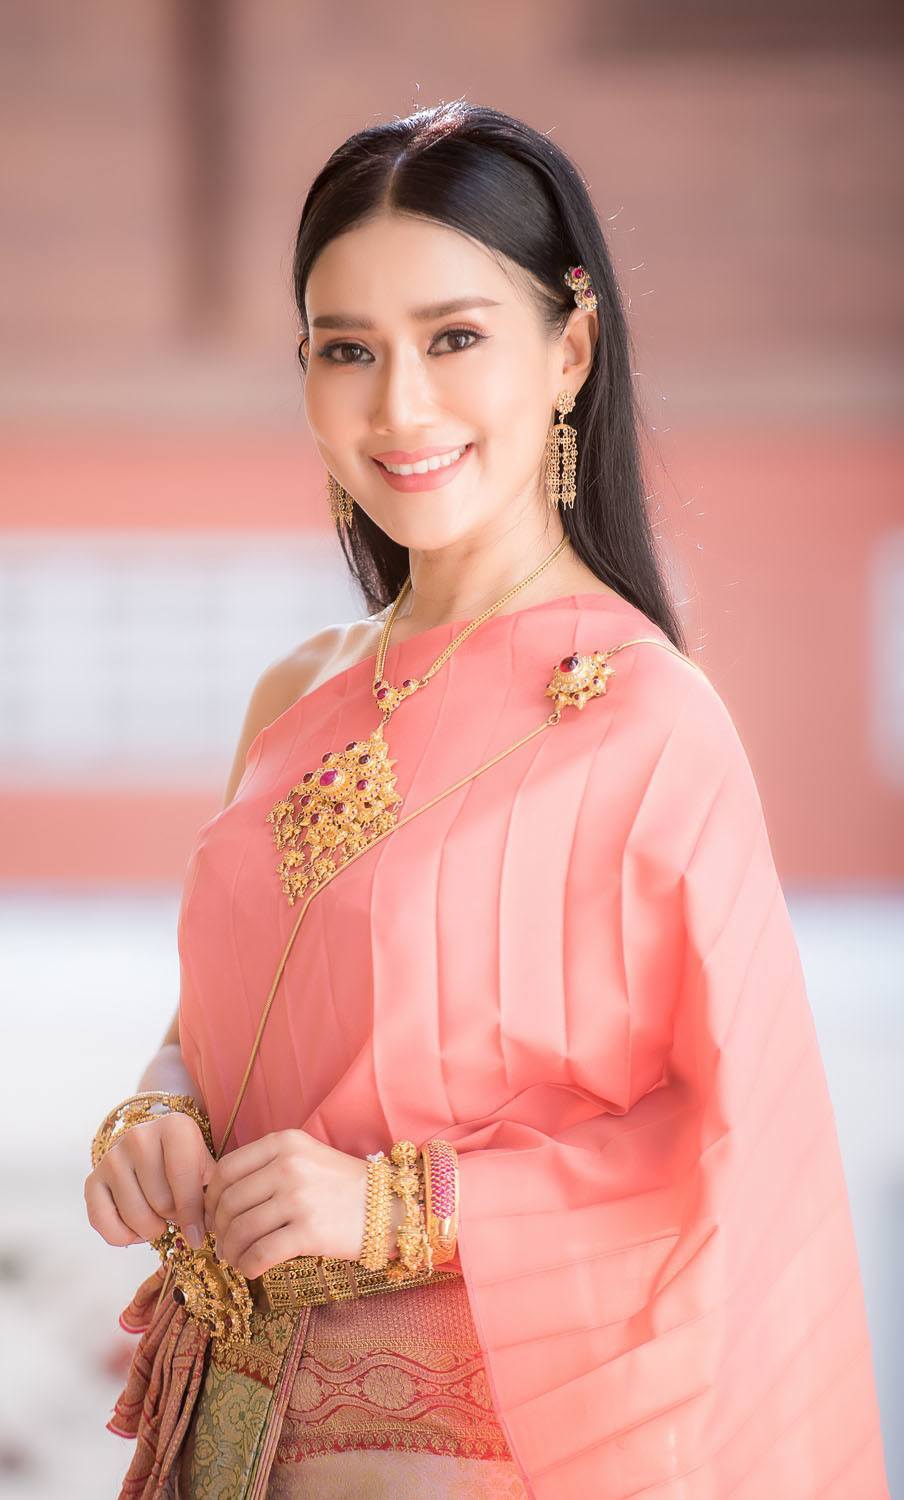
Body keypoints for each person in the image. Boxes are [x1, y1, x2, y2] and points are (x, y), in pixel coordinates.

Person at [84, 101, 890, 1499]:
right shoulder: (297, 694)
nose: (400, 406)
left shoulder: (643, 720)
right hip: (218, 1425)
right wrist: (157, 1114)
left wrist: (401, 1203)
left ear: (568, 348)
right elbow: (229, 1016)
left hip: (457, 1441)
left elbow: (726, 1156)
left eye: (456, 339)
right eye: (350, 351)